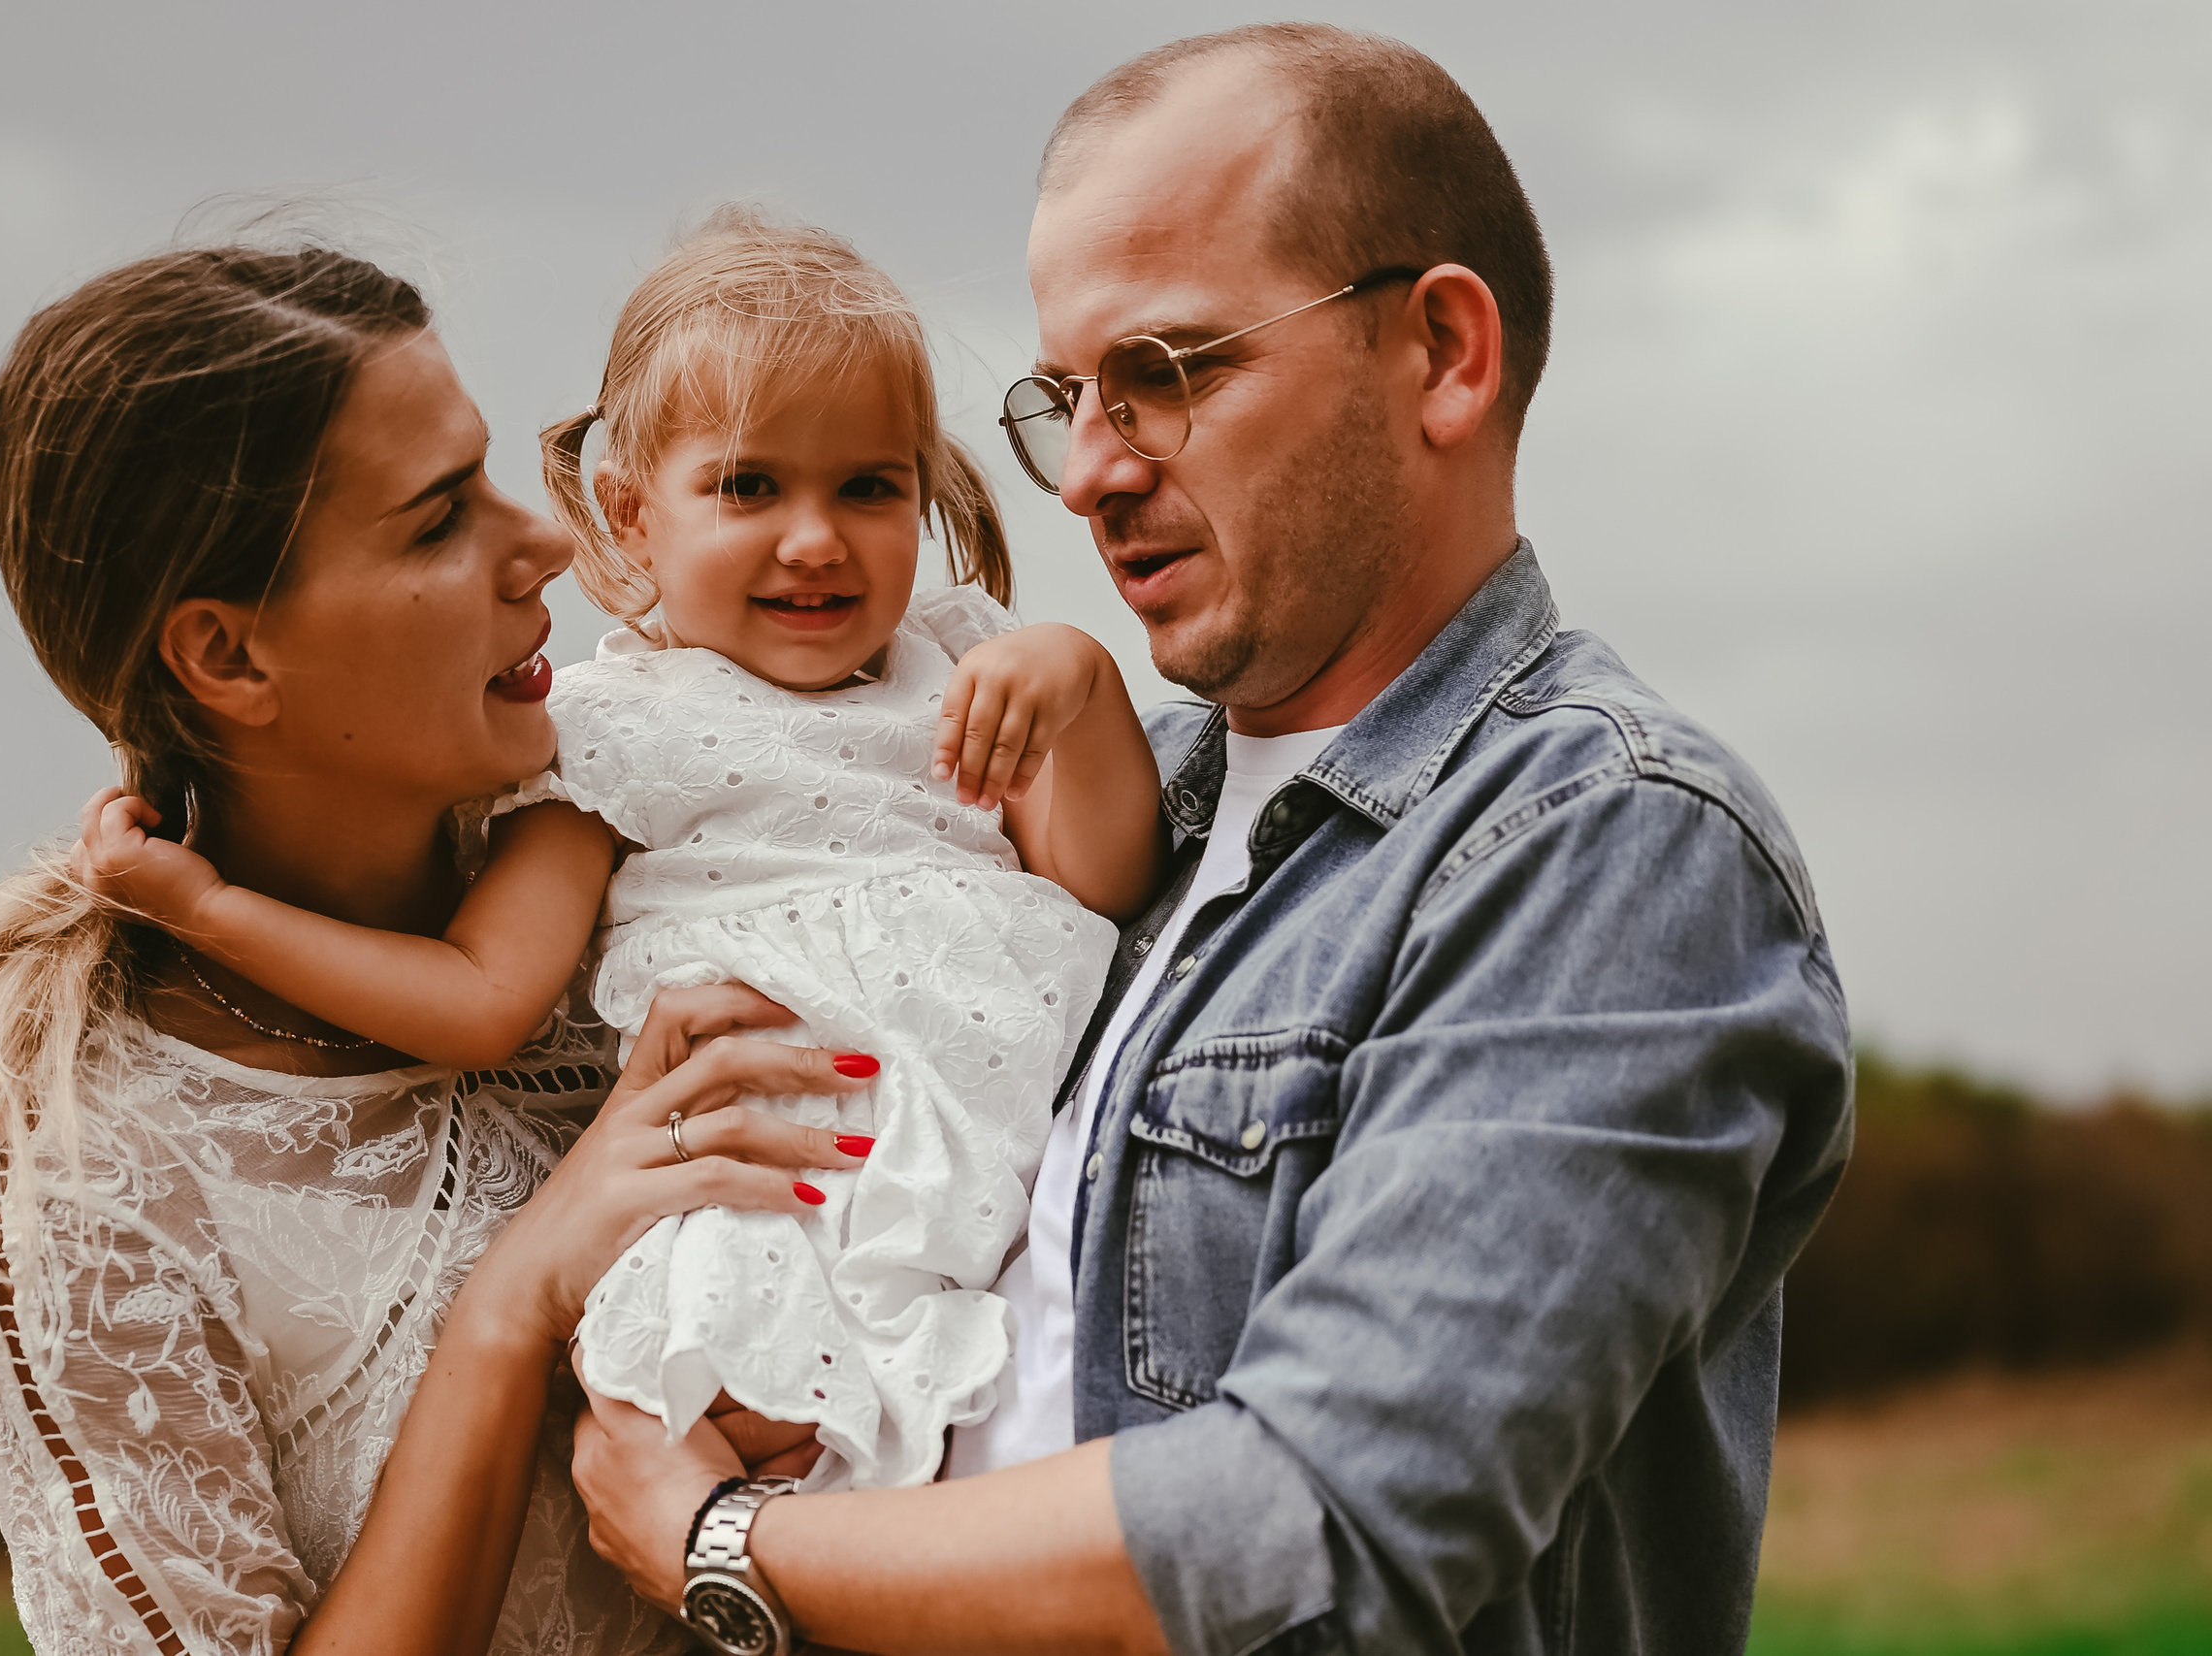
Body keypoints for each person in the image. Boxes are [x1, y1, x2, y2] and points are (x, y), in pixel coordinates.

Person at [569, 23, 1855, 1656]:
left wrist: (734, 1541)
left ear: (1444, 355)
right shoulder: (1061, 808)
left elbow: (1324, 1518)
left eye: (1167, 374)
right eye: (1067, 399)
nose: (1092, 473)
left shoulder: (1607, 846)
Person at [0, 244, 877, 1656]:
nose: (541, 547)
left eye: (491, 478)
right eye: (435, 522)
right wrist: (513, 1302)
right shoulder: (87, 1179)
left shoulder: (678, 852)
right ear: (228, 659)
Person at [76, 210, 1162, 1493]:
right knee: (779, 1454)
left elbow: (1102, 884)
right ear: (634, 519)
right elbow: (481, 1003)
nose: (815, 538)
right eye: (749, 486)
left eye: (869, 487)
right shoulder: (611, 735)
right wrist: (207, 909)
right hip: (785, 1196)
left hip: (1025, 1168)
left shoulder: (962, 669)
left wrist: (1083, 689)